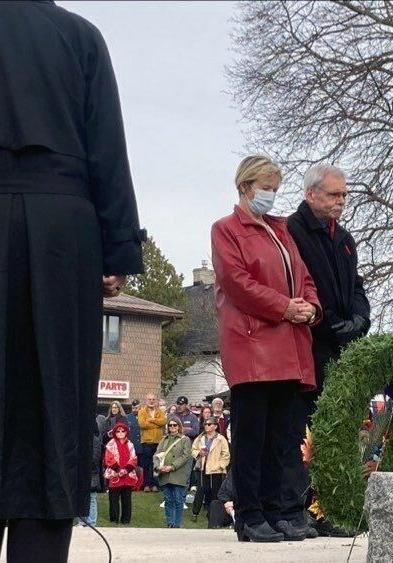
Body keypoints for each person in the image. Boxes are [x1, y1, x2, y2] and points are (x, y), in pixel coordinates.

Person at [0, 2, 145, 560]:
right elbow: (106, 146)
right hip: (64, 231)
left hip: (56, 218)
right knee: (56, 401)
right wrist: (117, 248)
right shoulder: (80, 37)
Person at [211, 155, 321, 543]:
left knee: (282, 437)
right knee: (252, 437)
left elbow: (303, 276)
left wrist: (310, 306)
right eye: (266, 188)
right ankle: (250, 514)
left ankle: (278, 512)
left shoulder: (281, 230)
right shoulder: (226, 229)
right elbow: (236, 282)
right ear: (245, 187)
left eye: (275, 188)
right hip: (253, 345)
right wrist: (283, 306)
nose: (271, 195)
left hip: (289, 344)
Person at [286, 163, 370, 536]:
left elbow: (355, 283)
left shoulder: (345, 237)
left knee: (337, 429)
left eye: (344, 195)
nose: (341, 201)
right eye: (335, 194)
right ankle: (299, 506)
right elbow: (302, 284)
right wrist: (328, 320)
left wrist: (360, 319)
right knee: (304, 430)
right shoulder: (293, 231)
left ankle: (332, 507)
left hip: (342, 343)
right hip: (309, 343)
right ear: (311, 194)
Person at [154, 415, 192, 529]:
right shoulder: (163, 439)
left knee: (178, 499)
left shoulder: (185, 439)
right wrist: (157, 467)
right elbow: (156, 455)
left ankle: (177, 523)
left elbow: (186, 456)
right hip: (164, 473)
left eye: (174, 425)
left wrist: (172, 466)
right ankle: (170, 522)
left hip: (178, 474)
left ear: (179, 426)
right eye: (170, 425)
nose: (172, 427)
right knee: (168, 499)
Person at [191, 417, 230, 523]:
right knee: (201, 490)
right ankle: (195, 513)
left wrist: (221, 466)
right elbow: (193, 449)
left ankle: (213, 515)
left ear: (215, 426)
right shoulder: (200, 438)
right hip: (202, 468)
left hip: (216, 470)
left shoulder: (221, 438)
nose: (206, 426)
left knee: (215, 492)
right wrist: (199, 453)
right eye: (205, 424)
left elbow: (226, 454)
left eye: (209, 424)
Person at [103, 422, 138, 525]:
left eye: (123, 431)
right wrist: (118, 470)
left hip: (128, 475)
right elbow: (108, 459)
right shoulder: (111, 444)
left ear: (126, 432)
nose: (121, 433)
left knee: (127, 499)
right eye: (118, 431)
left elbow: (134, 459)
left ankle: (126, 520)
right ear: (115, 432)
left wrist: (126, 470)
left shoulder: (130, 444)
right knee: (113, 499)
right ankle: (114, 519)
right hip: (115, 475)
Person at [138, 394, 167, 492]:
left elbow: (163, 422)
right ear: (146, 400)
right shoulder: (142, 411)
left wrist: (152, 420)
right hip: (146, 442)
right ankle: (147, 484)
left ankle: (155, 484)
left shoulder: (160, 411)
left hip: (158, 441)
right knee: (147, 464)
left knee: (156, 464)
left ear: (156, 400)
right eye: (149, 399)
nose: (151, 401)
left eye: (153, 399)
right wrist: (156, 424)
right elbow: (142, 424)